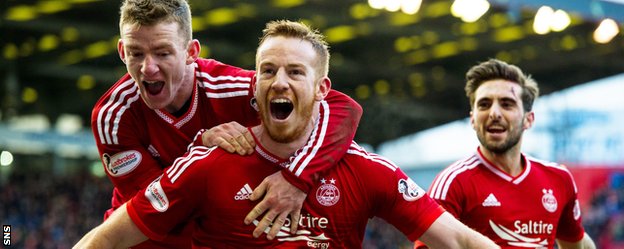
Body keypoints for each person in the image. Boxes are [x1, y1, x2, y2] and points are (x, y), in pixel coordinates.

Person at [74, 20, 499, 249]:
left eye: (296, 72)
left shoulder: (367, 172)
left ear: (321, 91)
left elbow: (458, 240)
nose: (279, 82)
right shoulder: (203, 165)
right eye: (268, 71)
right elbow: (110, 238)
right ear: (253, 88)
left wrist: (297, 177)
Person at [91, 0, 361, 248]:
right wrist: (201, 147)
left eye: (163, 53)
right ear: (121, 51)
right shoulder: (112, 117)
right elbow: (160, 209)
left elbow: (342, 108)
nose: (148, 68)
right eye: (136, 53)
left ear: (191, 52)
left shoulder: (235, 88)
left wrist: (297, 179)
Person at [414, 59, 596, 249]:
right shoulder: (452, 184)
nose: (494, 113)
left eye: (507, 104)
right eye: (484, 104)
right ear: (473, 120)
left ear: (528, 119)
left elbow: (578, 243)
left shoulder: (559, 179)